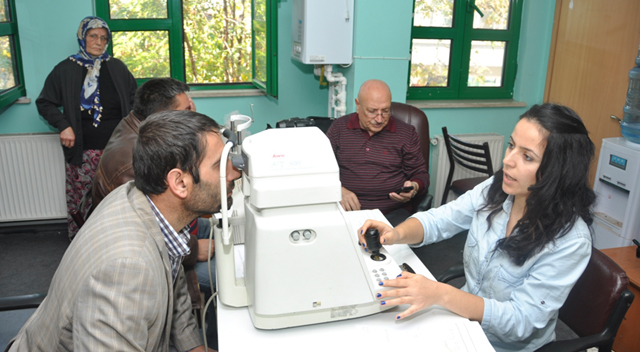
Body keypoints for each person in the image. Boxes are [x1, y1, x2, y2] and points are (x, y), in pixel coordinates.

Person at [358, 103, 596, 352]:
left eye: (527, 156)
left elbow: (521, 321)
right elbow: (442, 219)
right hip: (461, 323)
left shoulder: (570, 240)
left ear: (558, 171)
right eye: (512, 145)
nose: (507, 160)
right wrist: (397, 233)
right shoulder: (497, 189)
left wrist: (442, 294)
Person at [7, 110, 237, 352]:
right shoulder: (128, 269)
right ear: (179, 183)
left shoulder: (143, 200)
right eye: (219, 165)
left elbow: (174, 283)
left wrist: (194, 348)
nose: (234, 172)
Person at [90, 77, 217, 348]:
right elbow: (160, 245)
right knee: (224, 274)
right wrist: (196, 249)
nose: (192, 114)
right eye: (186, 111)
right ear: (164, 117)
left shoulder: (141, 131)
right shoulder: (133, 164)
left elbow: (173, 274)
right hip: (132, 253)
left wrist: (193, 345)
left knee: (217, 232)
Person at [36, 16, 137, 239]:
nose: (99, 42)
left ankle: (118, 240)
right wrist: (63, 125)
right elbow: (45, 102)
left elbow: (134, 100)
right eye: (93, 36)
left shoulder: (117, 67)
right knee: (84, 198)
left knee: (119, 197)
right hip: (84, 152)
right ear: (82, 37)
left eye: (103, 38)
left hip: (117, 150)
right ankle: (83, 242)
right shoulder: (65, 69)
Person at [326, 79, 429, 226]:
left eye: (385, 111)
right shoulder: (339, 128)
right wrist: (339, 190)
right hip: (346, 209)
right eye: (372, 111)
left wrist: (414, 187)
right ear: (358, 105)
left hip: (391, 212)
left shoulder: (406, 133)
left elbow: (421, 174)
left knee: (390, 245)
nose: (380, 119)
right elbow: (321, 171)